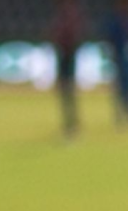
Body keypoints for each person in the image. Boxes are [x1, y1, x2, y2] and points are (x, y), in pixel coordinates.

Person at [51, 0, 83, 139]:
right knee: (67, 93)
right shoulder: (68, 14)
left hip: (66, 56)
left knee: (67, 92)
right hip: (66, 55)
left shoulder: (68, 15)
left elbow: (69, 37)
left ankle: (71, 123)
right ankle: (71, 122)